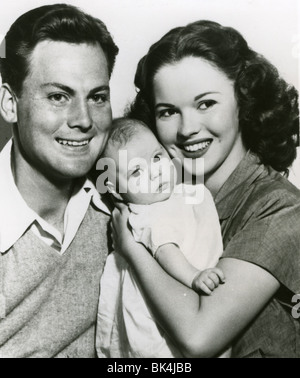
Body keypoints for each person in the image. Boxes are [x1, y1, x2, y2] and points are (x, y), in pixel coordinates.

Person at [111, 20, 300, 358]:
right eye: (168, 111)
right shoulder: (165, 197)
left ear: (243, 100)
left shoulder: (279, 208)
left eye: (205, 104)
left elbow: (197, 339)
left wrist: (133, 248)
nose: (187, 129)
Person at [0, 4, 118, 358]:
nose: (83, 120)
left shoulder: (122, 193)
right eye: (58, 96)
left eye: (97, 97)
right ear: (10, 103)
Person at [96, 117, 227, 357]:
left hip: (198, 308)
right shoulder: (144, 214)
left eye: (157, 158)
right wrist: (195, 276)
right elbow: (165, 250)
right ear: (116, 190)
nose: (155, 173)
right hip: (164, 314)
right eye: (136, 171)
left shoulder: (179, 194)